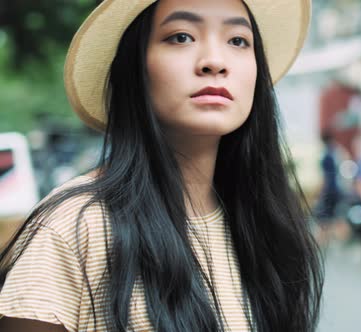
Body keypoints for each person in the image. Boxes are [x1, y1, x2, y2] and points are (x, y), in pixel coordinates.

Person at [0, 0, 323, 331]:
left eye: (238, 40)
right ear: (135, 65)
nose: (215, 61)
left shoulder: (263, 227)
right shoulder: (77, 227)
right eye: (181, 37)